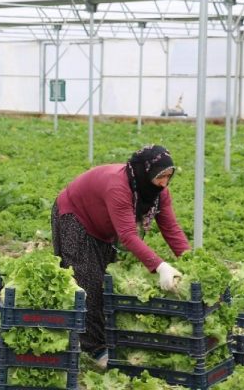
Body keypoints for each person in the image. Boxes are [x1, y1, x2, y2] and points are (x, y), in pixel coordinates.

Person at [50, 144, 190, 364]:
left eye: (168, 176)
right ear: (145, 172)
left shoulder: (158, 193)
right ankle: (94, 348)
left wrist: (190, 261)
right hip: (75, 215)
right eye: (160, 177)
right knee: (88, 282)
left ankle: (99, 336)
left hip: (103, 226)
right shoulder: (119, 187)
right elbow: (127, 235)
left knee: (105, 282)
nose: (164, 183)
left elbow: (171, 228)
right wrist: (160, 266)